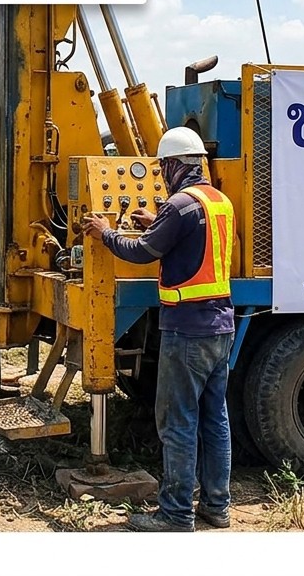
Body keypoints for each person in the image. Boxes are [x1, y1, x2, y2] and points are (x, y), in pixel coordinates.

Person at [81, 126, 235, 532]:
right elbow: (193, 238)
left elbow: (142, 252)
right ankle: (216, 506)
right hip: (221, 326)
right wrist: (157, 221)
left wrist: (105, 233)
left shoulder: (179, 206)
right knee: (215, 420)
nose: (162, 175)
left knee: (178, 422)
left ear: (171, 165)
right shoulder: (218, 201)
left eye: (162, 167)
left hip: (187, 330)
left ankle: (176, 514)